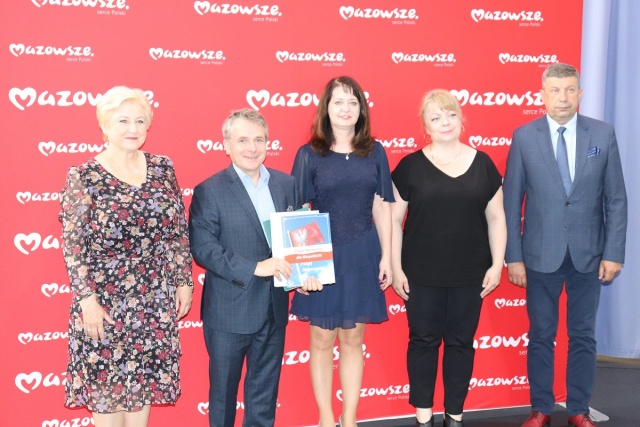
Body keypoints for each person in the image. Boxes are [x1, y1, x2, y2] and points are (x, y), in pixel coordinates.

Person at [60, 86, 194, 427]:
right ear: (104, 125)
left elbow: (177, 231)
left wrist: (183, 282)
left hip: (152, 297)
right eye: (122, 120)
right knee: (107, 391)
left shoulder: (162, 168)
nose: (133, 128)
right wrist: (87, 301)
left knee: (142, 386)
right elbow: (73, 245)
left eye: (139, 120)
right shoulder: (84, 176)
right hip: (104, 299)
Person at [503, 63, 627, 427]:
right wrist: (514, 257)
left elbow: (616, 199)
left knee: (583, 336)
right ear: (542, 95)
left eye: (570, 90)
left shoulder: (602, 134)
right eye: (555, 90)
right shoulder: (524, 137)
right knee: (541, 335)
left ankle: (578, 409)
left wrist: (613, 252)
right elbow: (511, 201)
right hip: (539, 254)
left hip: (589, 255)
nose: (563, 97)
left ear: (580, 94)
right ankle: (540, 408)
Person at [390, 89, 506, 427]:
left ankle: (454, 415)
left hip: (470, 273)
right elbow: (393, 220)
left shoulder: (483, 164)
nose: (445, 122)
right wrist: (396, 268)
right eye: (436, 117)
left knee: (461, 343)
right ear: (425, 126)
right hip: (420, 273)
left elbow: (497, 218)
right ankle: (423, 416)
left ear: (462, 119)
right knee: (423, 341)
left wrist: (497, 264)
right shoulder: (410, 166)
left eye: (451, 115)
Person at [290, 76, 394, 427]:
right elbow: (299, 212)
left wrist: (387, 257)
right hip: (321, 256)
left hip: (363, 252)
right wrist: (303, 267)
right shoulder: (309, 154)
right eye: (338, 102)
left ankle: (349, 419)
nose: (346, 109)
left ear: (361, 109)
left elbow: (382, 206)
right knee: (321, 339)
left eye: (353, 102)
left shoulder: (375, 151)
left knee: (353, 338)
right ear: (327, 108)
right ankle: (325, 418)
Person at [189, 109, 302, 427]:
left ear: (267, 143)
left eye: (258, 139)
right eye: (242, 140)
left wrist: (303, 274)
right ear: (226, 145)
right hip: (228, 311)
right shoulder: (209, 190)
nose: (252, 147)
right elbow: (204, 249)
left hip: (274, 309)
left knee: (264, 398)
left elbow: (295, 239)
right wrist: (255, 268)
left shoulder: (286, 184)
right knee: (223, 397)